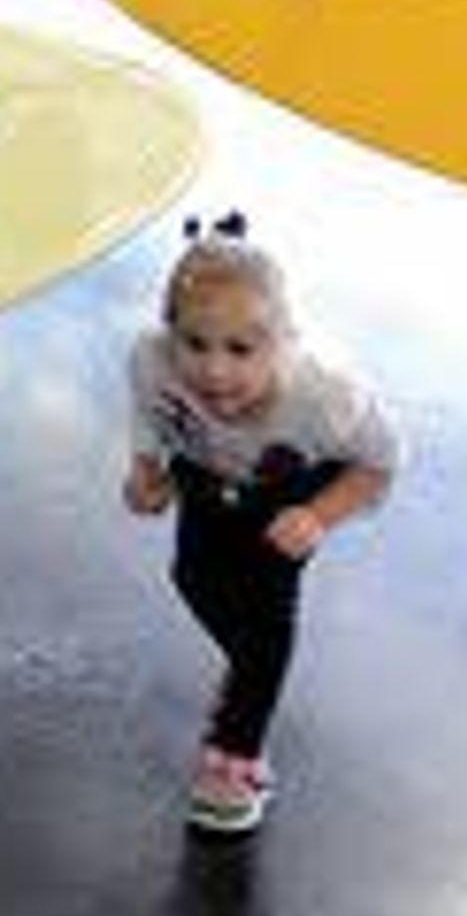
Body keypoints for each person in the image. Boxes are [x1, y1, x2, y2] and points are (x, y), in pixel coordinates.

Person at [121, 211, 399, 834]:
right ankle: (251, 675)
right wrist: (146, 470)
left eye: (242, 350)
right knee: (192, 576)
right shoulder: (151, 360)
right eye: (195, 344)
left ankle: (237, 753)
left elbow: (381, 464)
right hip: (203, 467)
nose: (215, 372)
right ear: (170, 335)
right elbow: (151, 414)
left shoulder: (325, 398)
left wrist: (318, 515)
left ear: (283, 342)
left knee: (267, 621)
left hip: (289, 487)